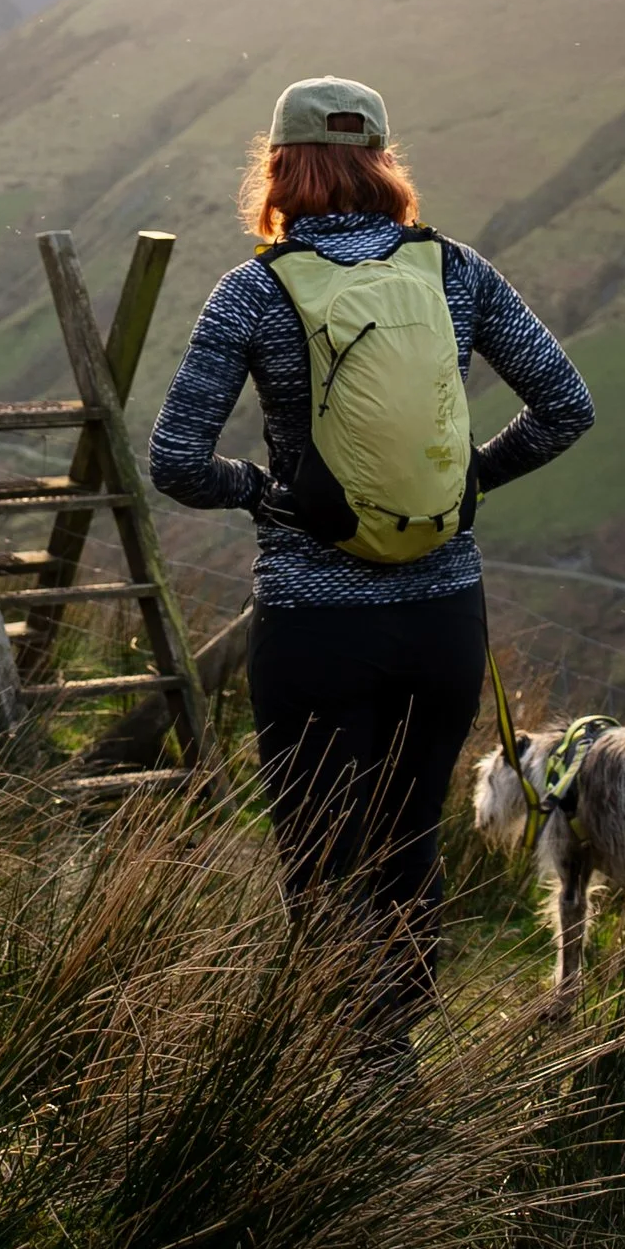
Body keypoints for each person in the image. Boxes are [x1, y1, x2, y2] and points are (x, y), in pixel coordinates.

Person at [149, 74, 593, 1055]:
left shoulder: (253, 290)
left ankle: (329, 1081)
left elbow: (175, 460)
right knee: (406, 847)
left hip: (314, 624)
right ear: (383, 163)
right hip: (441, 618)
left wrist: (271, 492)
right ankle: (390, 1055)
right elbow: (566, 405)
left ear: (278, 167)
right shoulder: (456, 273)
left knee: (317, 857)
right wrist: (469, 480)